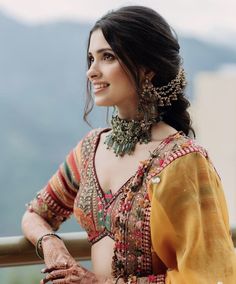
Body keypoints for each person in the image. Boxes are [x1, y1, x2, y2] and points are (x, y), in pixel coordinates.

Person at [21, 5, 236, 284]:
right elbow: (36, 215)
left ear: (147, 69)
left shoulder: (183, 161)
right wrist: (52, 246)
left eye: (107, 57)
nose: (91, 72)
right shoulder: (90, 149)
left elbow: (209, 276)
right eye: (91, 59)